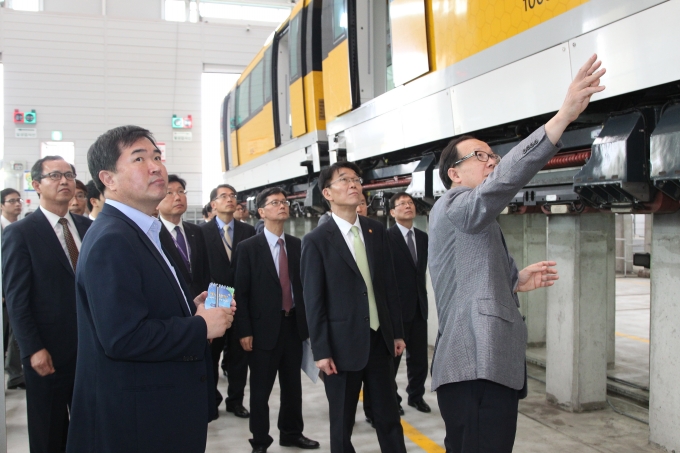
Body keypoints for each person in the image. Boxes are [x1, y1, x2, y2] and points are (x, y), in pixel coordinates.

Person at [429, 55, 605, 452]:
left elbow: (468, 278)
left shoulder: (470, 217)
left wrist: (514, 279)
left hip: (480, 368)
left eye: (494, 155)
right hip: (474, 365)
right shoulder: (457, 203)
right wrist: (561, 118)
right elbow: (503, 182)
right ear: (454, 174)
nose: (492, 162)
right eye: (482, 156)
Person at [66, 125, 233, 452]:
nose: (156, 165)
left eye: (157, 156)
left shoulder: (147, 230)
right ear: (109, 179)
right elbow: (123, 337)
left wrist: (191, 306)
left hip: (163, 409)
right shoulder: (112, 239)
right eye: (139, 158)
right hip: (139, 423)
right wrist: (199, 326)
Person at [301, 162, 407, 453]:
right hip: (341, 347)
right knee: (342, 424)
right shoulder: (316, 241)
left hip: (379, 341)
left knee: (388, 418)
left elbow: (388, 287)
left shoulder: (376, 231)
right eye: (344, 180)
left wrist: (396, 332)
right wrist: (321, 351)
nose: (353, 184)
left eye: (356, 179)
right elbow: (314, 301)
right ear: (327, 193)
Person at [2, 157, 92, 453]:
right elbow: (17, 298)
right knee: (49, 429)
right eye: (55, 175)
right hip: (48, 351)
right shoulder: (20, 233)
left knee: (90, 424)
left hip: (92, 347)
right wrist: (32, 349)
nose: (64, 181)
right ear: (36, 184)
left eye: (69, 175)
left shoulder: (87, 227)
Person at [235, 187, 320, 453]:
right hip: (262, 331)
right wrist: (244, 330)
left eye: (284, 202)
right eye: (275, 203)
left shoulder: (297, 244)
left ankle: (292, 433)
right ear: (261, 212)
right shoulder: (248, 248)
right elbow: (241, 292)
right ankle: (260, 441)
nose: (282, 206)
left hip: (292, 326)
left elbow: (303, 287)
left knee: (292, 387)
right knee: (261, 392)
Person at [363, 192, 430, 426]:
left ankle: (416, 396)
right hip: (396, 311)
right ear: (392, 212)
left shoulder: (423, 238)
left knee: (419, 359)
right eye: (401, 204)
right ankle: (393, 399)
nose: (407, 207)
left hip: (419, 307)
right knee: (391, 362)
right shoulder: (386, 237)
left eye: (410, 203)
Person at [201, 183, 255, 418]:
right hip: (214, 299)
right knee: (211, 357)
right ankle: (210, 400)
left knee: (238, 356)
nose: (230, 199)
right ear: (213, 204)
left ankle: (236, 400)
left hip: (241, 301)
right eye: (223, 196)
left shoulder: (248, 231)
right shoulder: (201, 233)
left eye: (233, 195)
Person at [157, 174, 211, 300]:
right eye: (169, 193)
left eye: (181, 191)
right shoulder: (153, 233)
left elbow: (205, 271)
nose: (177, 197)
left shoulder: (196, 231)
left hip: (200, 305)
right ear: (156, 202)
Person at [1, 188, 26, 390]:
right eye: (12, 201)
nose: (17, 204)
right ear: (1, 205)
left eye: (19, 200)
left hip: (14, 291)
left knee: (15, 333)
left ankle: (15, 373)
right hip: (4, 293)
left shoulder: (21, 227)